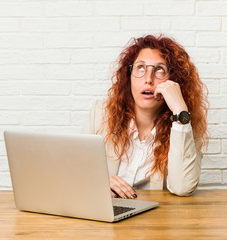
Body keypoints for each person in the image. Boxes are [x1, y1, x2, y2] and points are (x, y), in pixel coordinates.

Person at [81, 34, 208, 198]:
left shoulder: (184, 125)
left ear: (173, 81)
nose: (148, 79)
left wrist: (180, 110)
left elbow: (182, 188)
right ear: (129, 77)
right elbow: (77, 171)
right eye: (140, 68)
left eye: (159, 69)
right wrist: (99, 181)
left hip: (155, 218)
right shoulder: (100, 113)